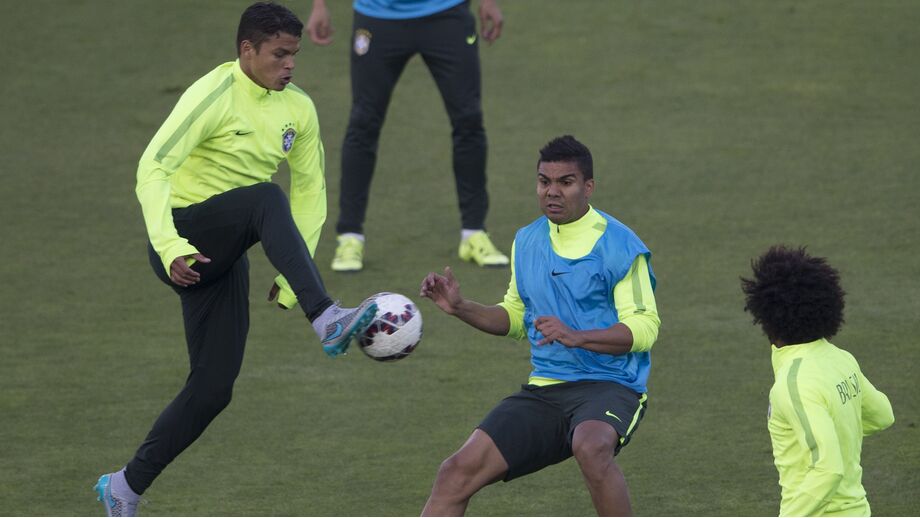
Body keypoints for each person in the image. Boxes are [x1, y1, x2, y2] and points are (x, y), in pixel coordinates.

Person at [93, 3, 379, 516]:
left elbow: (312, 190)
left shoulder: (299, 109)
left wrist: (296, 280)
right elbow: (151, 168)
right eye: (279, 54)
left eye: (294, 55)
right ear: (247, 51)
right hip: (183, 238)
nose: (289, 65)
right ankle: (328, 319)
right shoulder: (213, 95)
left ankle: (124, 487)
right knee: (265, 197)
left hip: (225, 251)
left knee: (212, 388)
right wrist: (170, 245)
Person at [419, 135, 661, 516]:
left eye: (566, 182)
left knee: (590, 446)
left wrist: (578, 337)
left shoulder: (620, 246)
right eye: (544, 182)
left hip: (611, 386)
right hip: (547, 389)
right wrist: (461, 307)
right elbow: (516, 317)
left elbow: (645, 328)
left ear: (588, 187)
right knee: (454, 473)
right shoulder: (527, 241)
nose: (552, 192)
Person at [306, 0, 509, 272]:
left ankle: (474, 233)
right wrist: (319, 5)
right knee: (363, 123)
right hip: (376, 16)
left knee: (468, 120)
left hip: (446, 13)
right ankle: (350, 236)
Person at [741, 246, 895, 516]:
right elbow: (883, 415)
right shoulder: (842, 359)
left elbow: (828, 470)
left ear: (766, 318)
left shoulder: (793, 384)